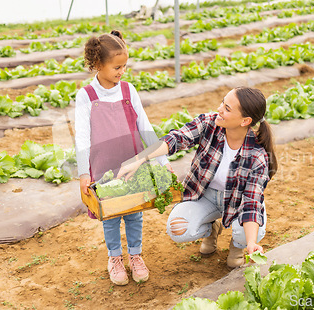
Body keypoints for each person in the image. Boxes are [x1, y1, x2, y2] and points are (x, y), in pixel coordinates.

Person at [118, 87, 277, 268]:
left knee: (247, 234)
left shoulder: (257, 156)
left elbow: (251, 203)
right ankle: (212, 229)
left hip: (238, 203)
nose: (219, 109)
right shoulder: (210, 124)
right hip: (205, 196)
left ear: (245, 121)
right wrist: (140, 159)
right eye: (222, 103)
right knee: (177, 229)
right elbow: (176, 139)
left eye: (227, 108)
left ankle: (237, 246)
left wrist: (250, 243)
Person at [74, 30, 171, 285]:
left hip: (132, 163)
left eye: (125, 66)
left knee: (134, 212)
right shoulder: (86, 96)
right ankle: (114, 258)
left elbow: (146, 128)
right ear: (98, 65)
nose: (121, 72)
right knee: (111, 214)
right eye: (117, 67)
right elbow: (82, 138)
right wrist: (84, 173)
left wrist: (163, 163)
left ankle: (135, 255)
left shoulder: (129, 90)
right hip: (104, 168)